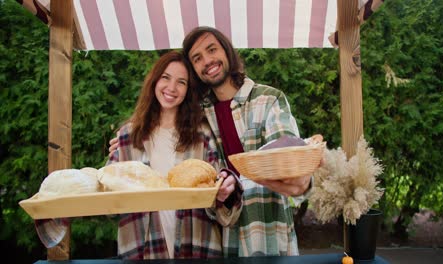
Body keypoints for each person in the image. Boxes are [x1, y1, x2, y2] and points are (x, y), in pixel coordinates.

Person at [109, 27, 313, 257]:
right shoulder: (200, 115)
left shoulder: (268, 100)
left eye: (212, 49)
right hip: (223, 239)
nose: (207, 60)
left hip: (266, 229)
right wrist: (123, 145)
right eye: (197, 58)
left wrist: (301, 179)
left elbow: (290, 161)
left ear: (226, 51)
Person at [104, 50, 241, 259]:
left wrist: (223, 191)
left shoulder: (201, 135)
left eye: (181, 82)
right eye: (165, 78)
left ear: (188, 90)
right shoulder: (127, 136)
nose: (171, 88)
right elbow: (108, 200)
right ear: (154, 81)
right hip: (142, 248)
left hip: (196, 245)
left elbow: (218, 196)